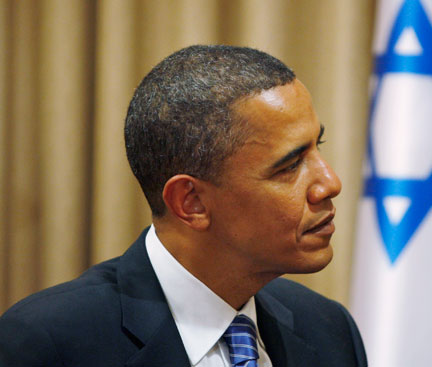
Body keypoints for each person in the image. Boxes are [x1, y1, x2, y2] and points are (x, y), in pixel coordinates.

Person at [0, 45, 367, 367]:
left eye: (319, 145)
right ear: (191, 202)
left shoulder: (328, 329)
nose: (330, 184)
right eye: (290, 165)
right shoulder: (48, 343)